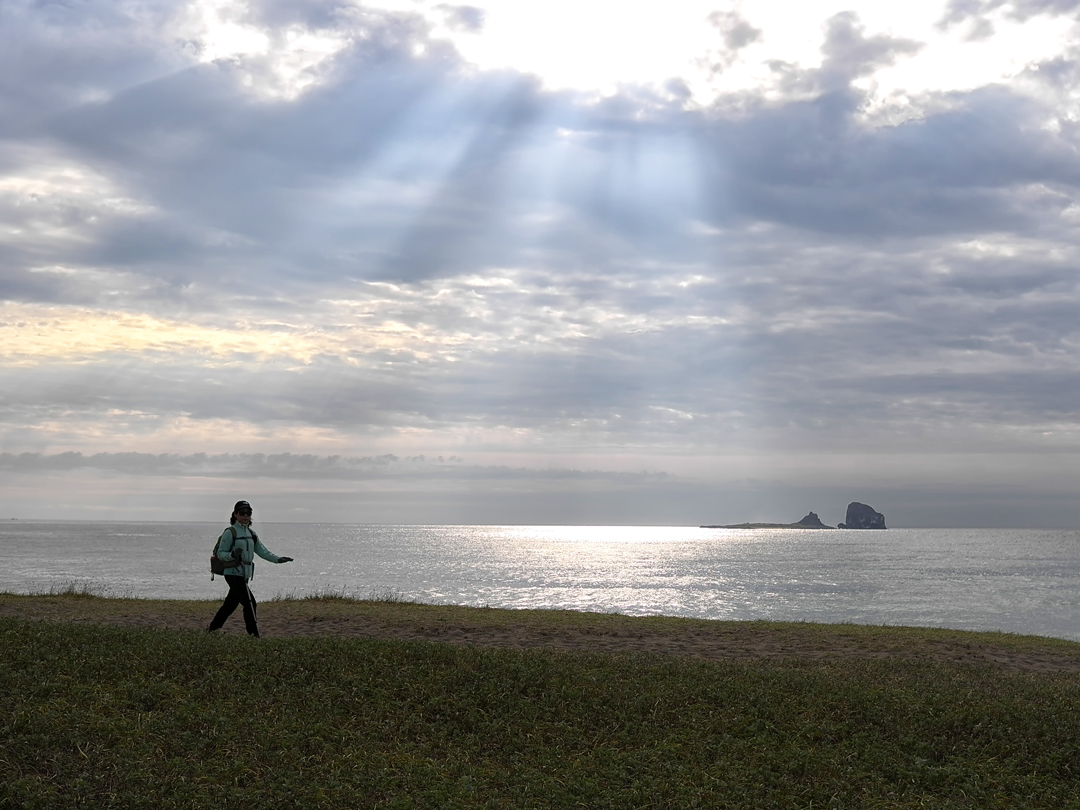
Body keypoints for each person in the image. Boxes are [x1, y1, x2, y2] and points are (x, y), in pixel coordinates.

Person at [207, 500, 293, 637]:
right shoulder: (230, 532)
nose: (245, 515)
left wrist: (278, 559)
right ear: (235, 514)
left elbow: (263, 551)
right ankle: (254, 635)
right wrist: (232, 555)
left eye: (248, 513)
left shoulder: (251, 533)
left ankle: (212, 629)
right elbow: (220, 553)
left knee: (230, 605)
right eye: (242, 512)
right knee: (250, 603)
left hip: (245, 575)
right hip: (233, 573)